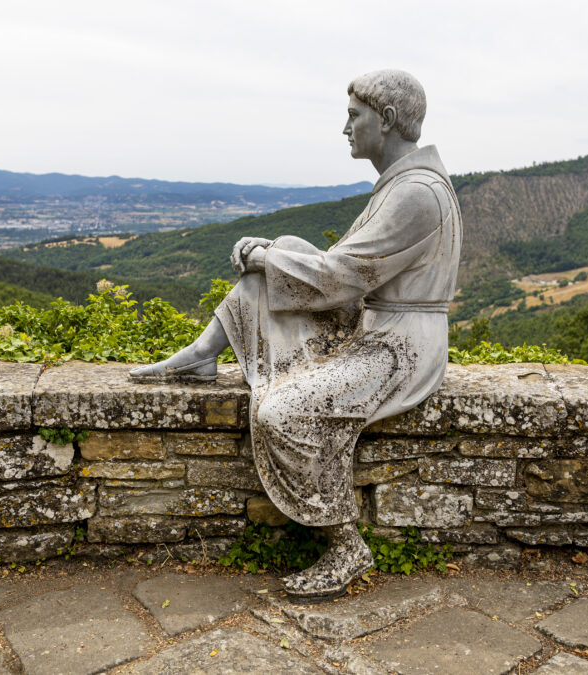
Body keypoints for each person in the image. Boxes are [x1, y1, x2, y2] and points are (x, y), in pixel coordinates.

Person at [130, 69, 461, 599]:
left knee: (282, 412)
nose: (345, 128)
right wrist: (276, 252)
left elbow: (343, 277)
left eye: (355, 116)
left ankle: (347, 544)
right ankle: (200, 354)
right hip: (377, 324)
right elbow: (343, 269)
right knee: (282, 249)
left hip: (401, 344)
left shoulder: (416, 194)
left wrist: (266, 257)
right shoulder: (402, 183)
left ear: (388, 120)